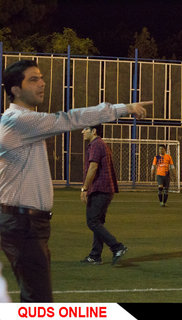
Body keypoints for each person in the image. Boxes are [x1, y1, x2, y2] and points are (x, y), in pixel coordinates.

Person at [0, 59, 149, 302]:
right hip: (22, 223)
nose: (42, 83)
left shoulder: (21, 121)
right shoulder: (20, 121)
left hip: (26, 222)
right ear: (15, 89)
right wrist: (123, 108)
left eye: (42, 77)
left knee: (35, 298)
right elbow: (68, 119)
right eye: (33, 79)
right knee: (38, 302)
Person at [80, 125, 127, 266]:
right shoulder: (100, 144)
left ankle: (117, 247)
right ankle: (95, 255)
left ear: (93, 131)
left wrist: (84, 188)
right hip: (105, 189)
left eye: (85, 129)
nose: (82, 131)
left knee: (92, 221)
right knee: (97, 223)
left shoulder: (96, 144)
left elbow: (93, 167)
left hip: (100, 189)